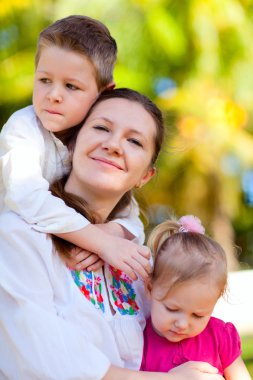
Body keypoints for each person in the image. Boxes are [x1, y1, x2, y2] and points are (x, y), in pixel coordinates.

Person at [0, 88, 223, 380]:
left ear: (145, 176)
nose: (114, 145)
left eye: (134, 141)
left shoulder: (138, 262)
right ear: (72, 143)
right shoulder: (18, 235)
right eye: (102, 128)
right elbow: (43, 359)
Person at [0, 15, 151, 281]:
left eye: (71, 86)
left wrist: (112, 234)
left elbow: (132, 216)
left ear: (104, 93)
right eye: (44, 80)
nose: (53, 95)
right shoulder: (24, 129)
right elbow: (28, 198)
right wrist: (99, 242)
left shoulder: (94, 141)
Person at [140, 215, 251, 379]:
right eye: (172, 309)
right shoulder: (138, 343)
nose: (183, 324)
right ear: (150, 288)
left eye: (198, 315)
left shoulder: (219, 336)